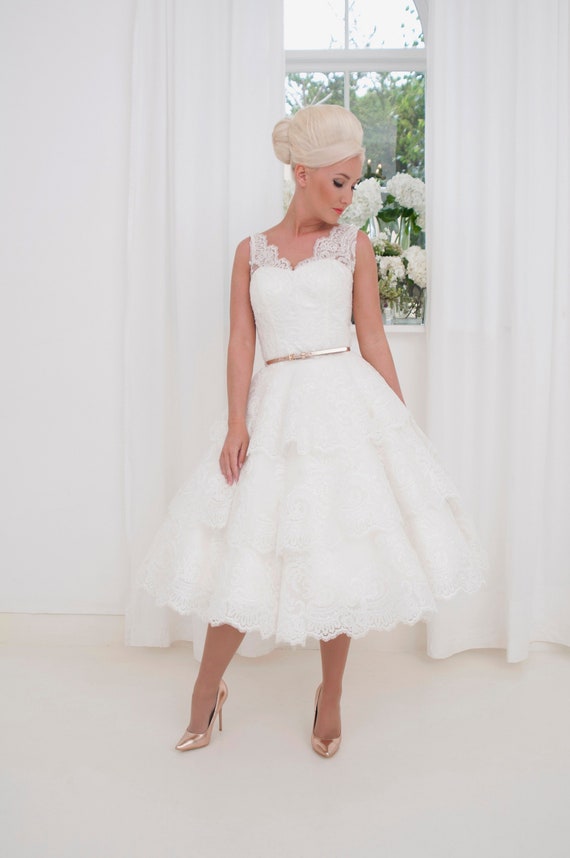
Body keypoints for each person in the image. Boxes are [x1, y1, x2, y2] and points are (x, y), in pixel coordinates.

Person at [134, 104, 489, 758]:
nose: (348, 197)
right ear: (301, 174)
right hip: (274, 410)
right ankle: (207, 689)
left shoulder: (353, 247)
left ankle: (332, 694)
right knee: (244, 550)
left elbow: (372, 337)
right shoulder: (251, 252)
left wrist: (398, 424)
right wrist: (236, 422)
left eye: (355, 183)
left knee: (337, 557)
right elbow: (242, 342)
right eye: (338, 182)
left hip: (342, 407)